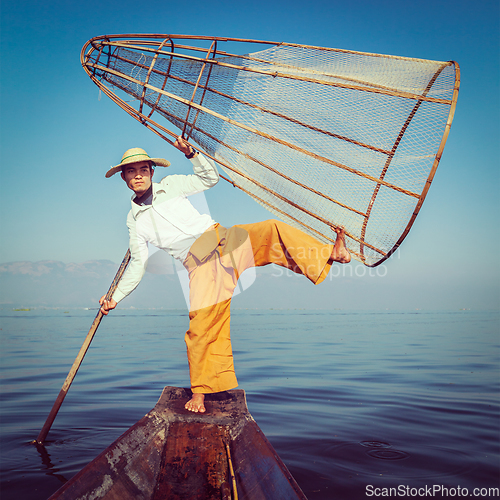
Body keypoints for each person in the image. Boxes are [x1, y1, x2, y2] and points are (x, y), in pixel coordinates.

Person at [100, 136, 351, 413]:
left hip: (221, 238)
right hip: (199, 263)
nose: (138, 176)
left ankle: (332, 253)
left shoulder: (171, 185)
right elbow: (137, 263)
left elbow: (209, 179)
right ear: (123, 178)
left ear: (152, 172)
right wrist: (115, 297)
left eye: (143, 170)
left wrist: (192, 154)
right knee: (202, 325)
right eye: (131, 172)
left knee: (271, 229)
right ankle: (201, 392)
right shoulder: (134, 221)